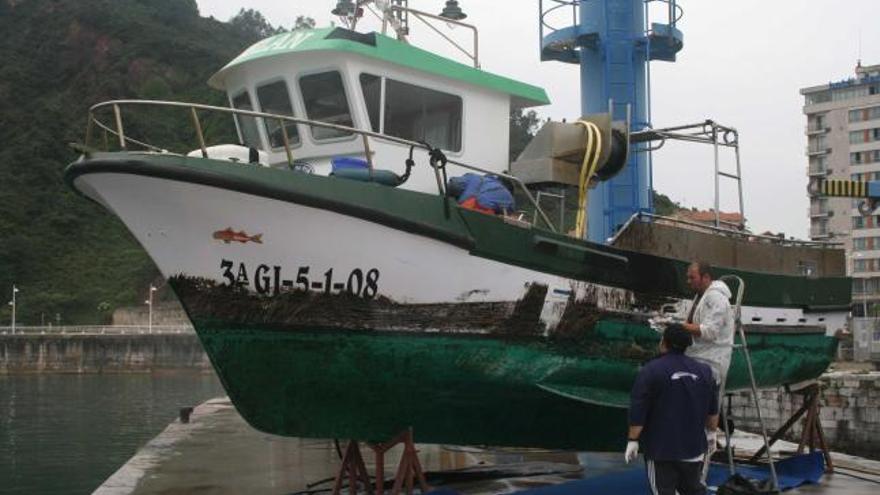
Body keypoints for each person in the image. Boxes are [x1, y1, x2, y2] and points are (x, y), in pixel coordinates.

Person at [626, 326, 720, 495]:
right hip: (694, 449)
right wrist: (712, 433)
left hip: (661, 451)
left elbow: (638, 409)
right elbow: (712, 411)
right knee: (694, 491)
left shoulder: (650, 370)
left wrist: (633, 440)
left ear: (664, 342)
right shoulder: (706, 372)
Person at [681, 261, 735, 390]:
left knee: (666, 372)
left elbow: (710, 331)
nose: (688, 281)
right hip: (697, 355)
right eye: (688, 277)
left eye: (692, 277)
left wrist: (678, 326)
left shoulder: (716, 298)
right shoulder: (701, 296)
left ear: (705, 277)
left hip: (710, 362)